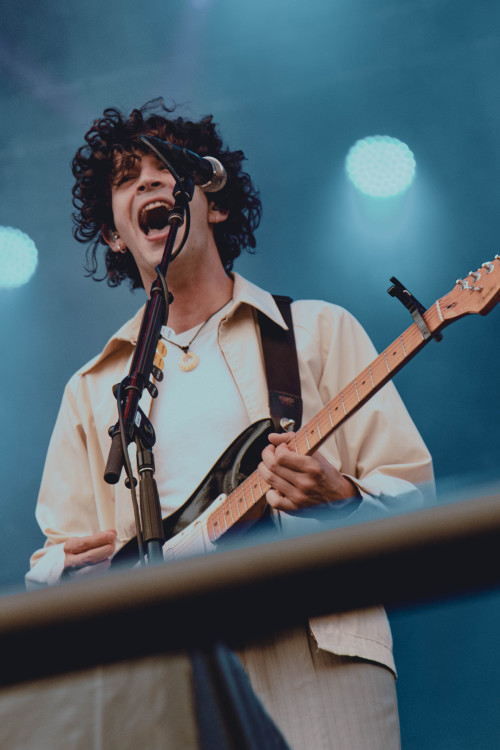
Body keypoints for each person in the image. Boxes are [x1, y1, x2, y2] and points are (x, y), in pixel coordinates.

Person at [27, 98, 433, 749]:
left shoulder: (318, 332)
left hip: (318, 654)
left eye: (168, 168)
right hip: (164, 677)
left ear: (213, 203)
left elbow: (420, 507)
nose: (152, 182)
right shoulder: (93, 390)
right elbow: (53, 559)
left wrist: (344, 500)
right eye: (129, 177)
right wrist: (65, 575)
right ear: (113, 231)